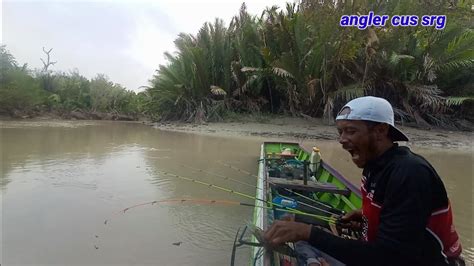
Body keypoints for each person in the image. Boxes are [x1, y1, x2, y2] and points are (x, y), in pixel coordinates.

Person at [264, 96, 464, 266]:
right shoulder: (374, 166)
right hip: (383, 254)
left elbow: (390, 257)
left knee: (306, 235)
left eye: (350, 131)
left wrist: (309, 232)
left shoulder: (409, 173)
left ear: (380, 131)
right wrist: (367, 217)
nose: (342, 139)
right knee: (297, 229)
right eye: (340, 132)